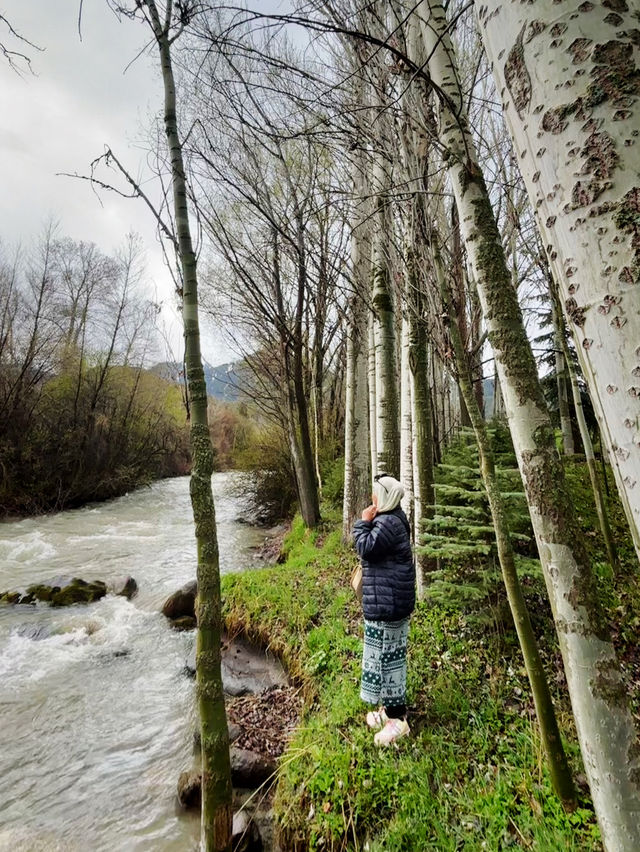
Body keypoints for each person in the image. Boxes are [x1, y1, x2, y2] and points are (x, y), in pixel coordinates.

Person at [352, 473, 416, 746]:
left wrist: (362, 523)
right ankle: (389, 711)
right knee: (385, 659)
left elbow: (365, 547)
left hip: (389, 606)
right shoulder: (391, 519)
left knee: (390, 662)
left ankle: (398, 720)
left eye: (376, 494)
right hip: (387, 603)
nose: (372, 499)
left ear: (386, 498)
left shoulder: (388, 523)